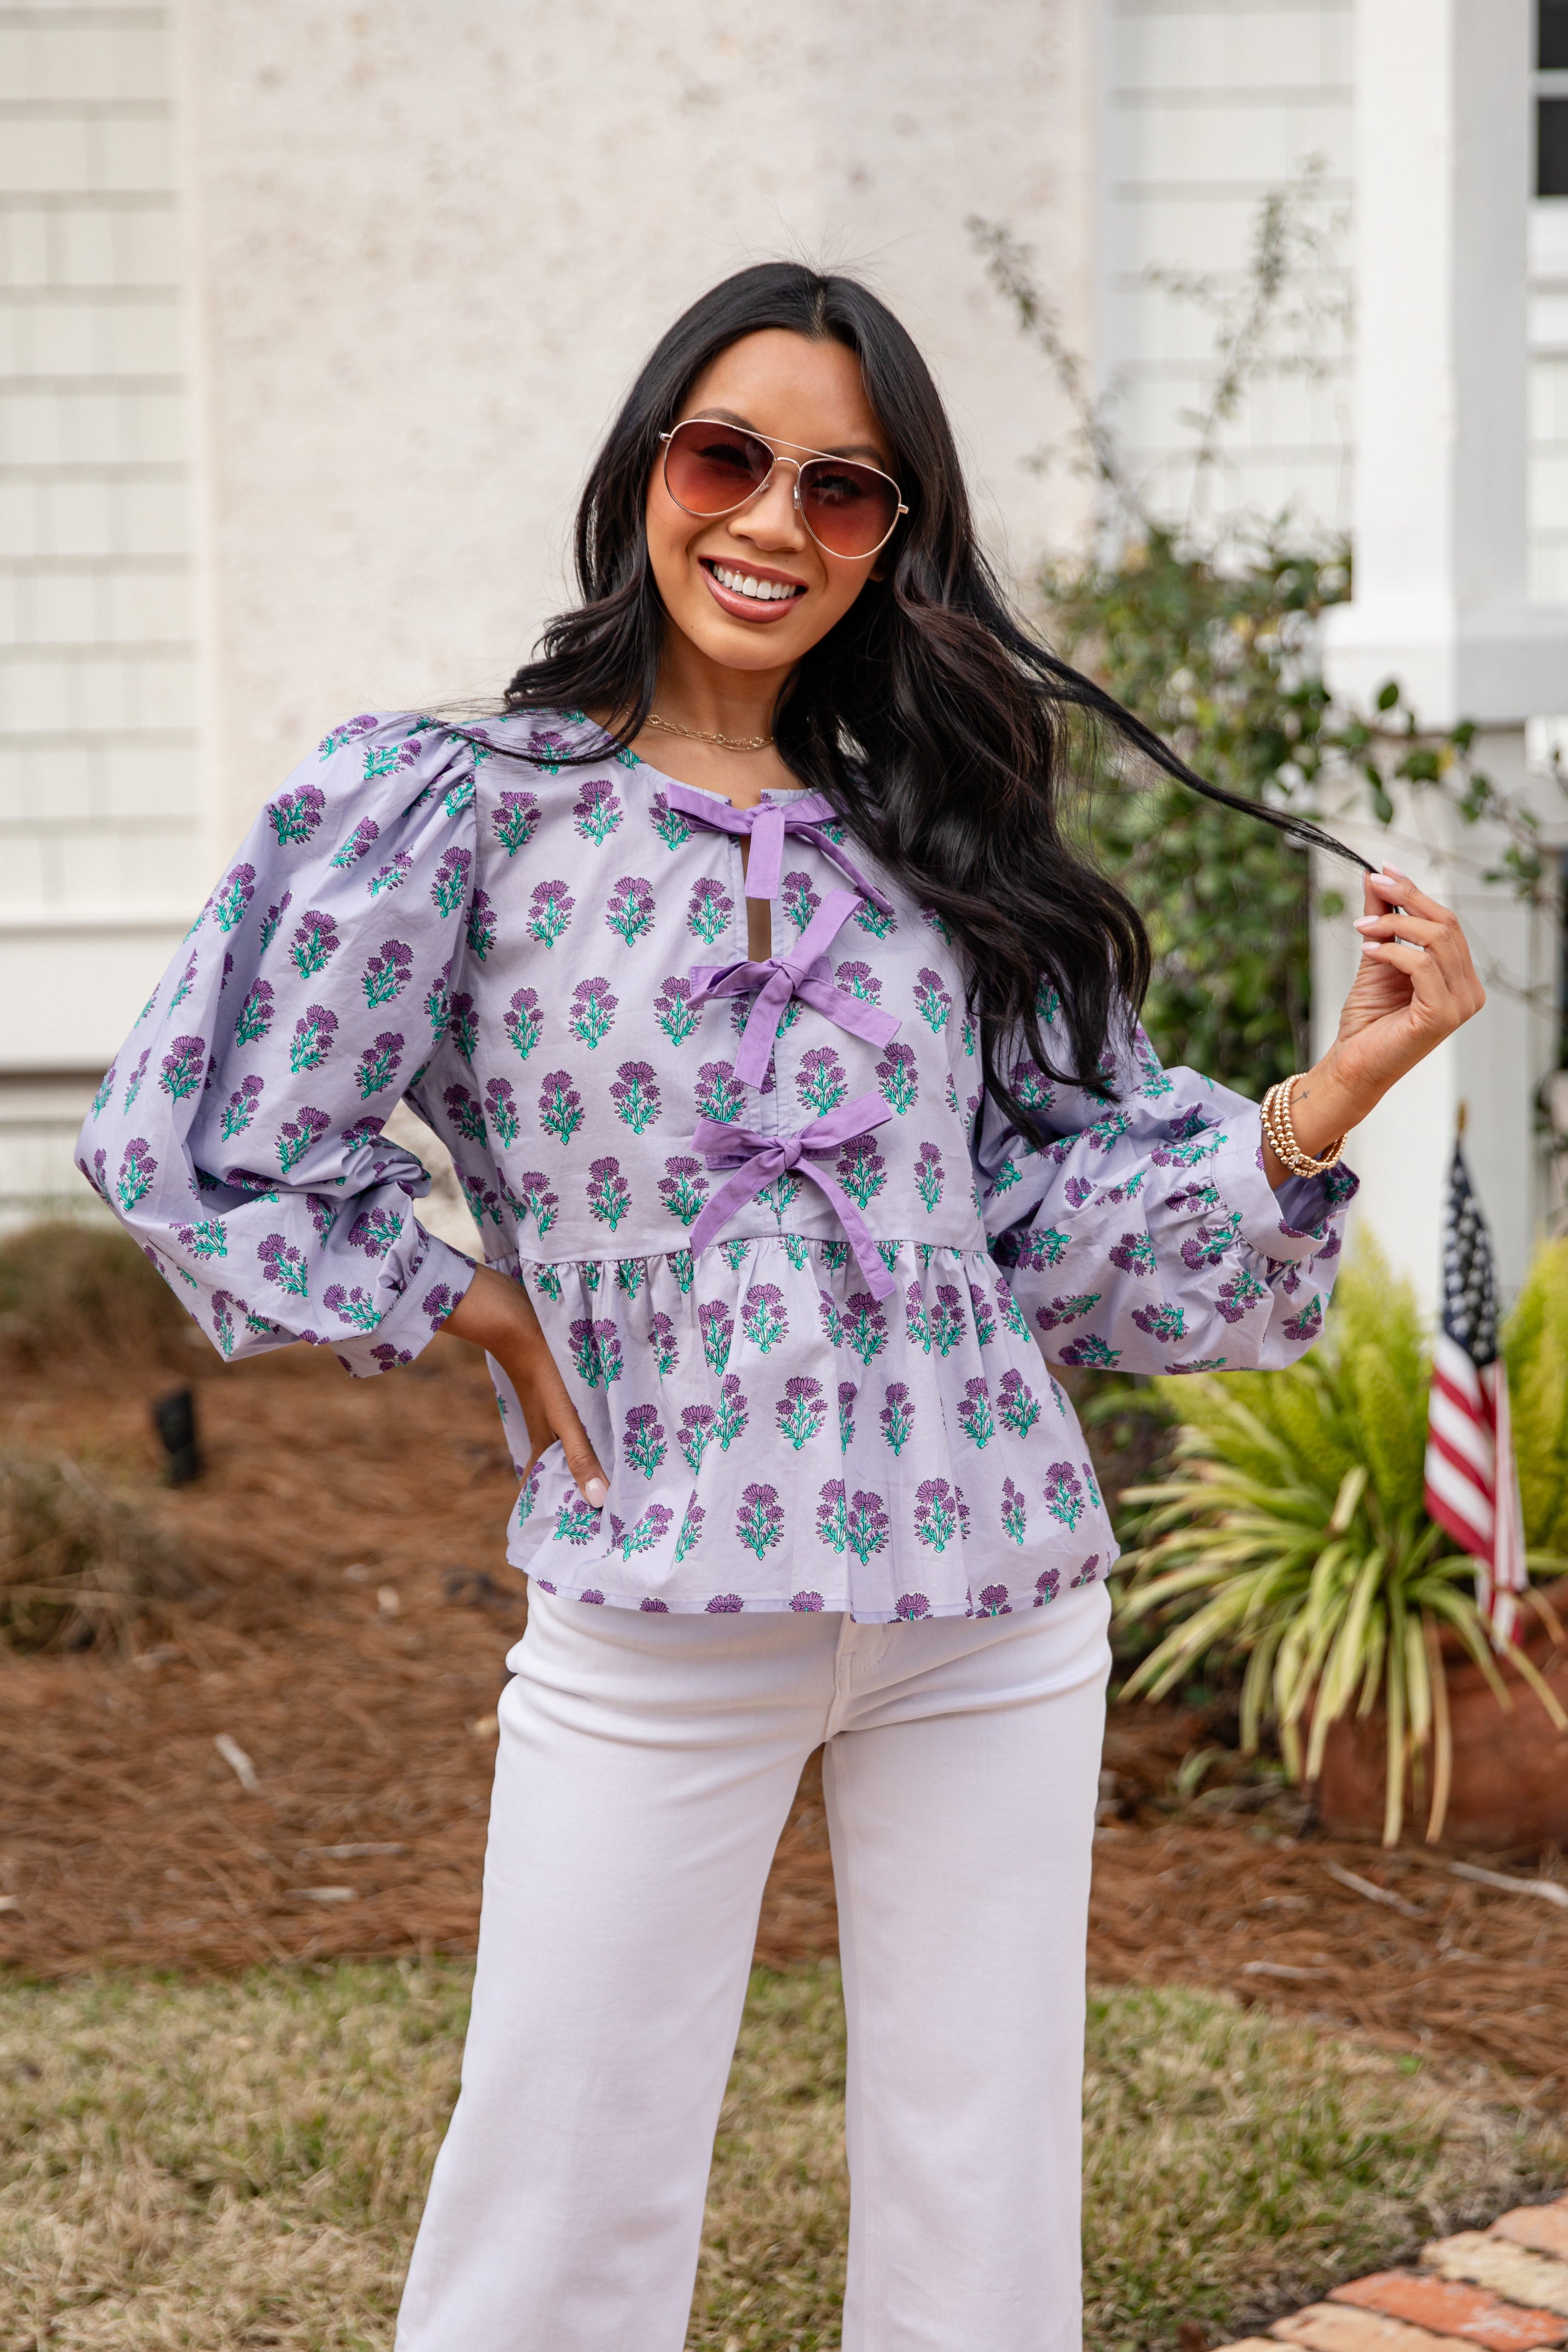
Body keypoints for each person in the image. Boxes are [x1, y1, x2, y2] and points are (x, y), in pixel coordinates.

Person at [80, 263, 1485, 2351]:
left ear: (895, 537)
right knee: (558, 2194)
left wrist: (1325, 1099)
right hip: (658, 1589)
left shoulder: (943, 832)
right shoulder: (450, 801)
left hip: (994, 1599)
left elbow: (1057, 1217)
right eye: (730, 457)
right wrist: (468, 1303)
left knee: (979, 2194)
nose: (772, 523)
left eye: (845, 490)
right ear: (650, 462)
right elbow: (203, 1123)